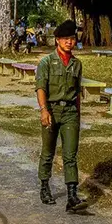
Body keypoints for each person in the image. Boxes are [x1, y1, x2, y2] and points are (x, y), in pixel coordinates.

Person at [35, 19, 87, 212]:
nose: (69, 42)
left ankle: (72, 196)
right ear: (57, 40)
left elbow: (78, 92)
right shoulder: (46, 62)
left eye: (72, 38)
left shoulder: (77, 64)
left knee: (70, 154)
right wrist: (43, 110)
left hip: (70, 112)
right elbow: (41, 88)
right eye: (65, 39)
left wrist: (78, 116)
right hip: (51, 110)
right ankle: (44, 187)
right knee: (48, 152)